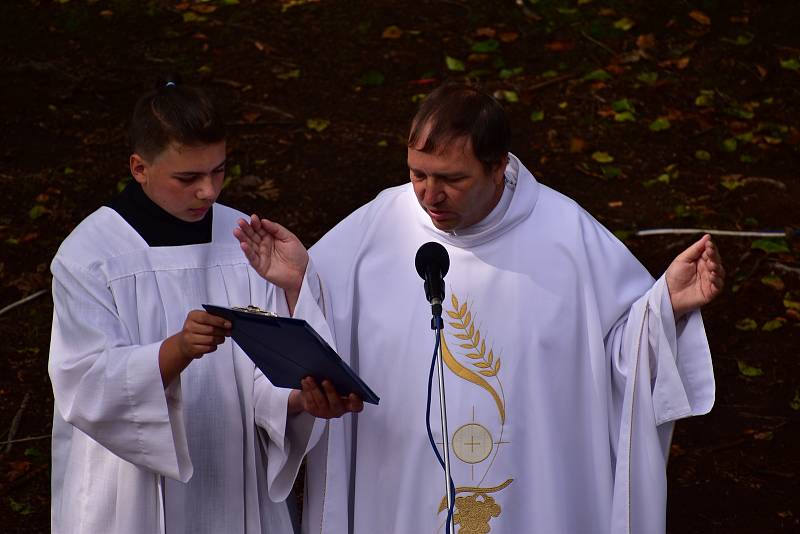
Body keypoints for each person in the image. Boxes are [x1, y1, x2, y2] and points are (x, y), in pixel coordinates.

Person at [237, 83, 724, 534]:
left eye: (452, 179)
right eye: (417, 174)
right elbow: (319, 347)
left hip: (532, 492)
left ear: (498, 168)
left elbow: (621, 363)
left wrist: (667, 307)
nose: (430, 194)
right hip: (399, 480)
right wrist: (303, 284)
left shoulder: (567, 238)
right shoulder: (372, 232)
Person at [48, 79, 361, 534]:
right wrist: (176, 349)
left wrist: (297, 398)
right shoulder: (92, 255)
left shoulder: (241, 238)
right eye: (188, 178)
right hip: (131, 492)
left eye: (218, 171)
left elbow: (263, 370)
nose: (209, 192)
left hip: (235, 482)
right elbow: (84, 384)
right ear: (139, 167)